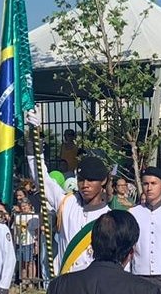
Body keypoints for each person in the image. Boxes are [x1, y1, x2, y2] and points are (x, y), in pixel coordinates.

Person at [30, 110, 112, 275]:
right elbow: (41, 178)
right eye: (81, 180)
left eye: (91, 180)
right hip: (66, 284)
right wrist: (34, 137)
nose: (85, 185)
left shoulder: (109, 218)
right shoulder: (66, 203)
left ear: (103, 181)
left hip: (93, 288)